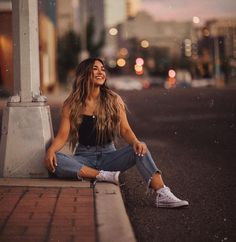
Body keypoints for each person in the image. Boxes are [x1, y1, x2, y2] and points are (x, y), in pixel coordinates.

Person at [44, 58, 189, 208]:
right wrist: (51, 151)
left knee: (141, 148)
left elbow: (124, 129)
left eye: (102, 69)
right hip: (84, 157)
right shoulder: (71, 104)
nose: (100, 72)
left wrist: (135, 142)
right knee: (57, 160)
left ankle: (162, 193)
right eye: (95, 69)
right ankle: (102, 175)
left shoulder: (113, 100)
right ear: (84, 74)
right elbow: (62, 135)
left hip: (109, 157)